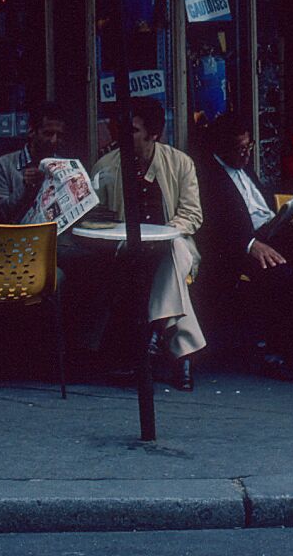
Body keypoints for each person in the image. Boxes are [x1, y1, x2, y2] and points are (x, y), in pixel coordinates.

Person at [195, 114, 293, 379]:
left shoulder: (245, 168)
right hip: (238, 248)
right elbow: (212, 227)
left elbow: (258, 207)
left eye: (249, 146)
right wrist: (250, 244)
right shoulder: (207, 177)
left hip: (269, 231)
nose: (246, 154)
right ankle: (278, 355)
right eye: (239, 149)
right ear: (221, 147)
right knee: (284, 277)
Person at [92, 97, 206, 389]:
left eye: (132, 131)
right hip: (127, 247)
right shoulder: (106, 166)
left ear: (153, 134)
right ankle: (182, 358)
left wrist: (165, 233)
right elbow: (94, 218)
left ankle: (155, 333)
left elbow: (192, 215)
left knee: (174, 250)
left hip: (174, 243)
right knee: (171, 265)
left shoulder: (181, 164)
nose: (124, 137)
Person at [0, 102, 66, 225]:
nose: (54, 140)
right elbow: (1, 214)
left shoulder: (61, 165)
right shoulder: (4, 165)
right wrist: (25, 188)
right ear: (32, 131)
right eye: (48, 134)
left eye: (59, 135)